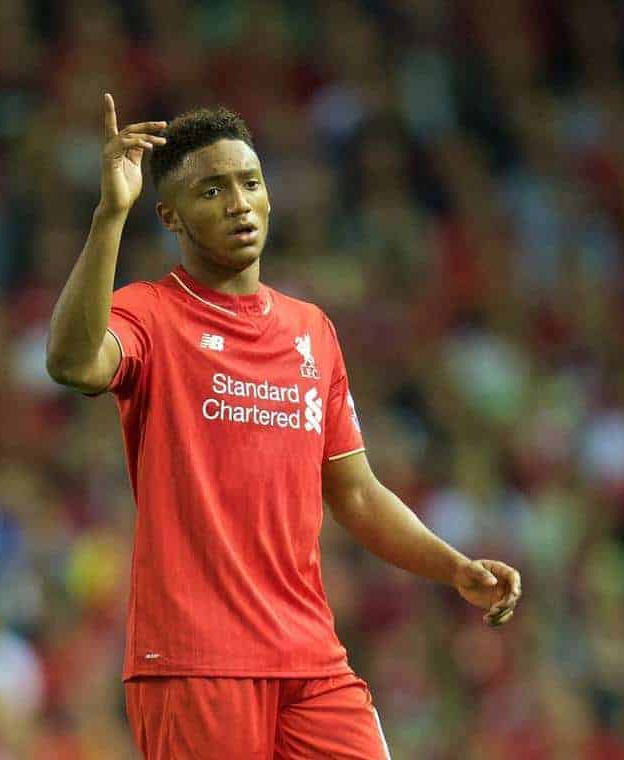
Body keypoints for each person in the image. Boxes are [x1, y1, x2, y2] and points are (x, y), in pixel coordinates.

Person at [44, 94, 522, 758]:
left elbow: (354, 492)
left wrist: (454, 568)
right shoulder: (150, 313)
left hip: (310, 657)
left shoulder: (311, 331)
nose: (239, 202)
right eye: (211, 191)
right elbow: (72, 362)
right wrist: (108, 215)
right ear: (171, 216)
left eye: (250, 183)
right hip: (195, 659)